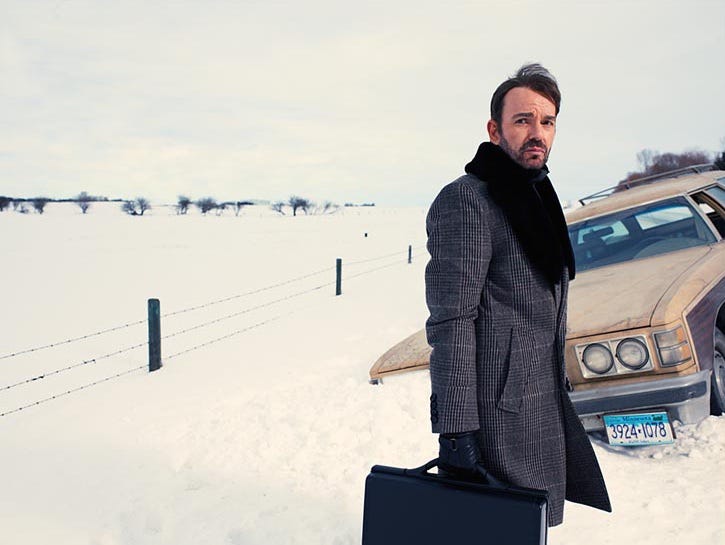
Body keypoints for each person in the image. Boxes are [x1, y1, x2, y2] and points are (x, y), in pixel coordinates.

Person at [424, 63, 611, 527]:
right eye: (523, 120)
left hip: (540, 400)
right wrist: (456, 432)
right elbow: (452, 320)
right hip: (496, 415)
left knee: (527, 527)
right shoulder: (468, 201)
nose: (537, 133)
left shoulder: (535, 194)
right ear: (495, 130)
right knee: (499, 528)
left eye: (547, 122)